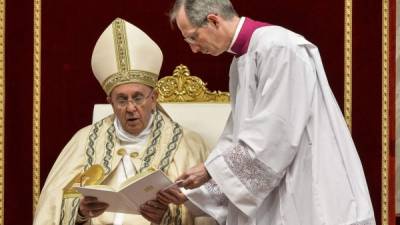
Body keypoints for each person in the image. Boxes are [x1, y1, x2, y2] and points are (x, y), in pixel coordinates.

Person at [158, 1, 376, 225]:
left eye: (193, 37)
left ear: (213, 20)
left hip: (303, 182)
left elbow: (275, 134)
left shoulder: (279, 48)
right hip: (275, 179)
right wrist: (195, 192)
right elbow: (237, 135)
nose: (193, 48)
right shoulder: (241, 60)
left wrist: (210, 169)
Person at [33, 18, 216, 225]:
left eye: (138, 97)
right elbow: (51, 205)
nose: (130, 107)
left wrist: (166, 217)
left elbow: (208, 213)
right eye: (121, 99)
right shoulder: (85, 140)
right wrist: (80, 211)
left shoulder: (188, 144)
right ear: (109, 101)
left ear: (154, 98)